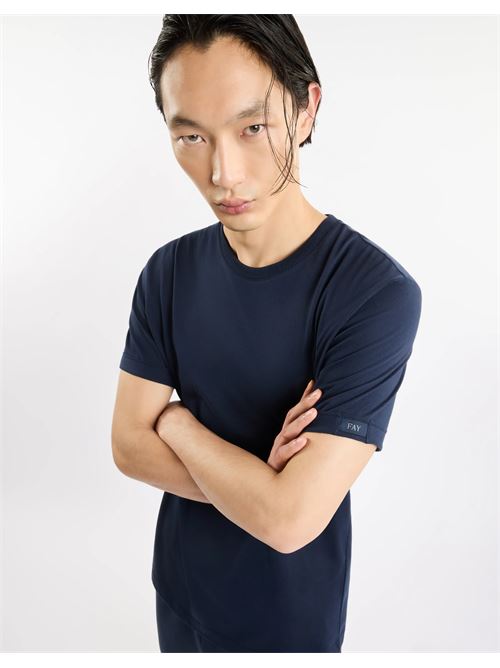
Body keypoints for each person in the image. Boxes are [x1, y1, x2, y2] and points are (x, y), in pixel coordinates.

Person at [111, 15, 422, 653]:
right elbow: (126, 447)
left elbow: (288, 521)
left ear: (307, 109)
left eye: (252, 128)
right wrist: (259, 481)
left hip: (287, 622)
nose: (223, 173)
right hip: (179, 589)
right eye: (191, 136)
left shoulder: (373, 293)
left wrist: (175, 422)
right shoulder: (169, 272)